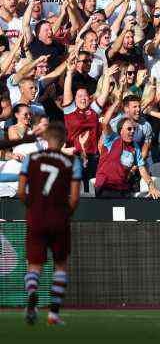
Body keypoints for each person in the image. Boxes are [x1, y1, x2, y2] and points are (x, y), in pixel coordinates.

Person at [18, 123, 80, 326]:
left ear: (46, 139)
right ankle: (53, 314)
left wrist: (32, 206)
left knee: (34, 264)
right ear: (63, 141)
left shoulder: (31, 158)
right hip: (59, 217)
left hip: (36, 216)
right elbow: (75, 197)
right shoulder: (72, 161)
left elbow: (20, 191)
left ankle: (32, 294)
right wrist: (66, 213)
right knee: (60, 264)